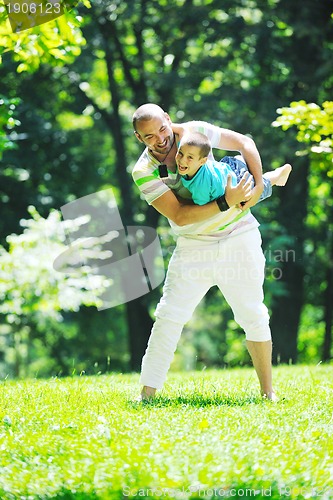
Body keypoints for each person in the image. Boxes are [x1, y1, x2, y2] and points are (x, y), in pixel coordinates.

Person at [132, 103, 282, 402]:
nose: (159, 139)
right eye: (149, 137)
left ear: (168, 119)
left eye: (162, 129)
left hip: (240, 235)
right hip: (193, 246)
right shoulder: (144, 171)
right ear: (139, 139)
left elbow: (244, 143)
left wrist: (256, 187)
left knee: (252, 313)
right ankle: (146, 396)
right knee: (169, 315)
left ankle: (268, 393)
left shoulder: (195, 132)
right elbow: (181, 216)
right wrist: (227, 201)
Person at [176, 131, 291, 206]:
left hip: (239, 181)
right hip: (231, 164)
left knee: (255, 191)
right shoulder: (197, 165)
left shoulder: (200, 187)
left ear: (202, 161)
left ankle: (279, 173)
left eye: (189, 157)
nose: (182, 160)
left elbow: (204, 210)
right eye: (180, 153)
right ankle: (243, 162)